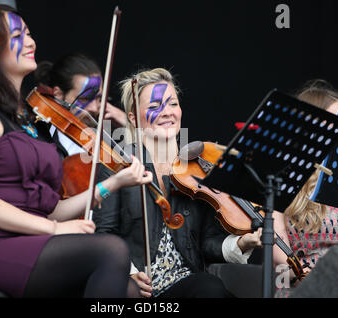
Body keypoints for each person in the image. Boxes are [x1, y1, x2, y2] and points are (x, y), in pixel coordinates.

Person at [0, 4, 153, 298]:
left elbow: (53, 208)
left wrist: (112, 184)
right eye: (18, 35)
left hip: (32, 241)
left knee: (131, 290)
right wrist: (53, 230)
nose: (31, 42)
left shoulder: (28, 119)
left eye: (29, 34)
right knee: (110, 249)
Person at [93, 68, 263, 298]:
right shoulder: (119, 165)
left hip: (188, 284)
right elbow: (104, 232)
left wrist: (242, 243)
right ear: (133, 118)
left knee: (211, 288)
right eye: (154, 107)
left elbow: (206, 242)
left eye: (172, 104)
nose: (166, 113)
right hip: (139, 290)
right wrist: (128, 272)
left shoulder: (196, 168)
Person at [273, 79, 338, 298]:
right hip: (305, 284)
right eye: (336, 121)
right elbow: (278, 255)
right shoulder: (282, 180)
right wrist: (322, 275)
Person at [34, 53, 127, 158]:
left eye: (98, 98)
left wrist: (127, 124)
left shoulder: (107, 133)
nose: (94, 108)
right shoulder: (40, 136)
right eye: (84, 99)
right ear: (58, 94)